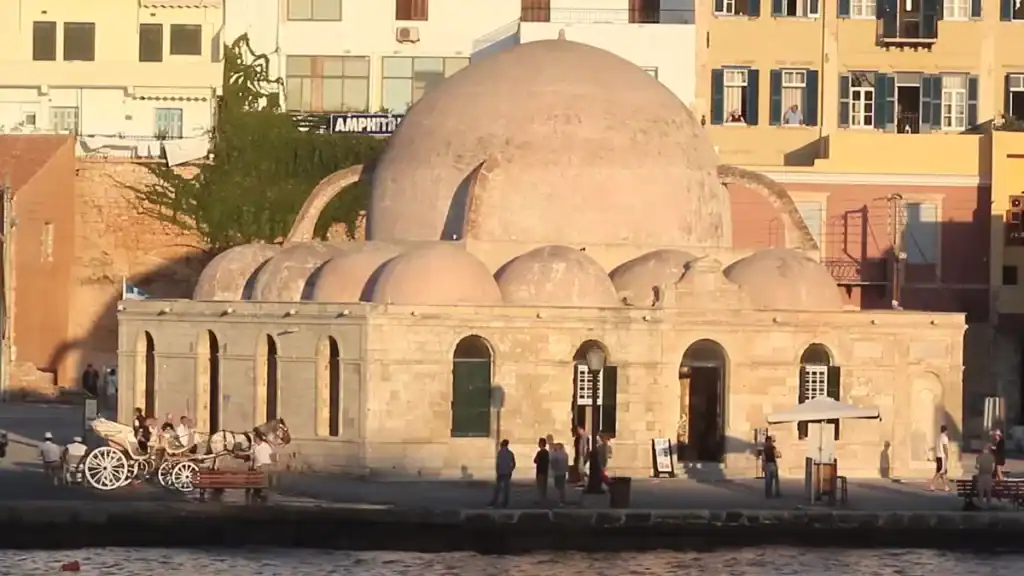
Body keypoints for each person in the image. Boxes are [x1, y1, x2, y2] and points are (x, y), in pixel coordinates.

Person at [488, 439, 516, 508]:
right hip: (507, 472)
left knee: (498, 488)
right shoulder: (510, 453)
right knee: (506, 488)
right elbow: (514, 463)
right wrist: (510, 470)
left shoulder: (500, 453)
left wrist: (497, 471)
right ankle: (505, 503)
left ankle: (495, 501)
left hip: (500, 472)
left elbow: (498, 463)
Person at [248, 432, 274, 504]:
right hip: (258, 466)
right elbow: (250, 455)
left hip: (264, 465)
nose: (254, 440)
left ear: (258, 439)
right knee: (258, 482)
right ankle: (258, 494)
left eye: (255, 439)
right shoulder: (255, 447)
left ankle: (262, 495)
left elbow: (270, 455)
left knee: (263, 482)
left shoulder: (266, 446)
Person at [929, 424, 951, 492]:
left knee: (943, 472)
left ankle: (946, 487)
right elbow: (945, 447)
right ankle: (932, 485)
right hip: (942, 457)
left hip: (938, 456)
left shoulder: (938, 437)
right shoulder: (944, 438)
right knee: (939, 472)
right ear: (946, 430)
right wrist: (947, 455)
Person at [533, 437, 550, 505]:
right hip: (545, 470)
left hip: (540, 471)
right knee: (544, 486)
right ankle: (544, 499)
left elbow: (535, 460)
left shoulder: (540, 452)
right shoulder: (547, 452)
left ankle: (541, 500)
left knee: (540, 486)